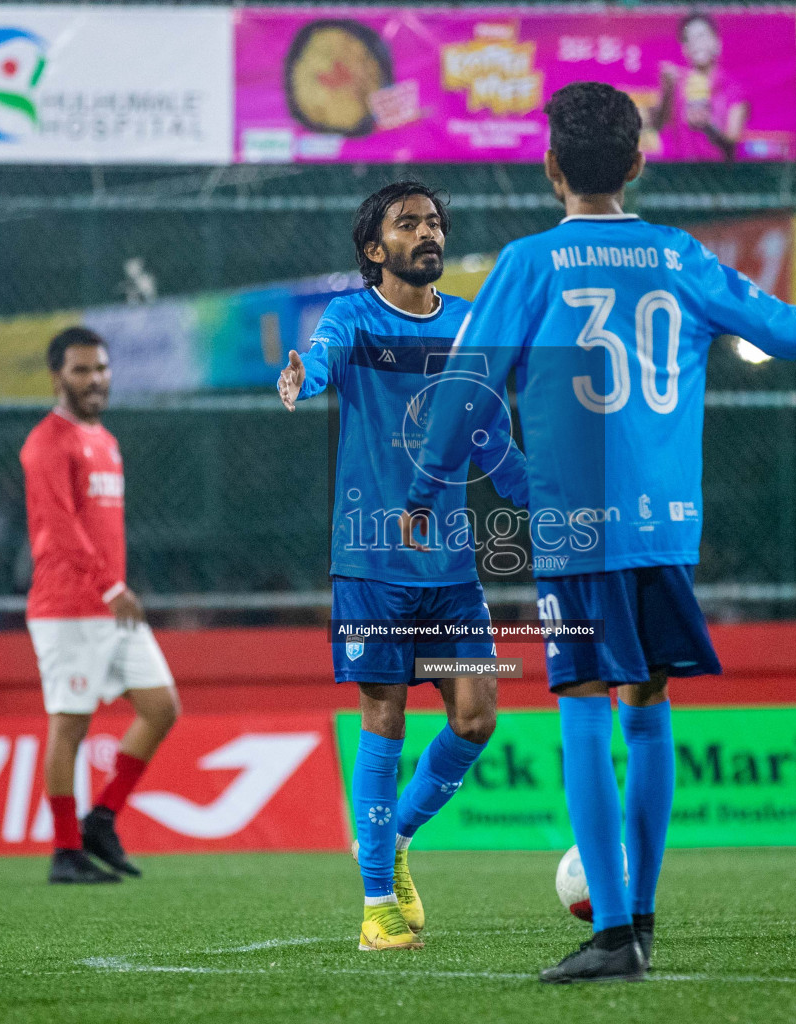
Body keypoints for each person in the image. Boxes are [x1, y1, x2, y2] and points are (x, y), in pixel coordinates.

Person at [403, 82, 796, 982]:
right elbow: (774, 328)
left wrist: (426, 490)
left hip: (575, 529)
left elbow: (467, 389)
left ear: (550, 169)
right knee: (650, 707)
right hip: (664, 528)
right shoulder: (678, 256)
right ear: (638, 163)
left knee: (583, 703)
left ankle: (614, 935)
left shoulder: (530, 264)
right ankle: (642, 920)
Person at [277, 181, 528, 952]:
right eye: (407, 223)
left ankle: (393, 840)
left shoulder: (467, 327)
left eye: (434, 222)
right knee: (384, 717)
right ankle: (378, 908)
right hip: (372, 561)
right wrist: (302, 377)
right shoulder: (352, 318)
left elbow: (488, 436)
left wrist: (541, 504)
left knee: (477, 717)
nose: (428, 233)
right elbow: (319, 362)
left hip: (451, 567)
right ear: (373, 249)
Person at [21, 326, 180, 885]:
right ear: (57, 376)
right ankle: (66, 851)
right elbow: (59, 528)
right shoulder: (47, 442)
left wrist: (113, 591)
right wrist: (110, 587)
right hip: (69, 607)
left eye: (102, 369)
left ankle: (102, 819)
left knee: (162, 707)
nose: (96, 379)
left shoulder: (104, 440)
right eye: (83, 370)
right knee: (70, 726)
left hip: (111, 606)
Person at [648, 12, 749, 161]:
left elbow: (732, 141)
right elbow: (657, 126)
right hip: (681, 173)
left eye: (701, 36)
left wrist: (708, 125)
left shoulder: (732, 89)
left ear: (717, 43)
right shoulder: (676, 83)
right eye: (689, 39)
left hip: (719, 176)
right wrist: (667, 91)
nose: (696, 43)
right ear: (684, 49)